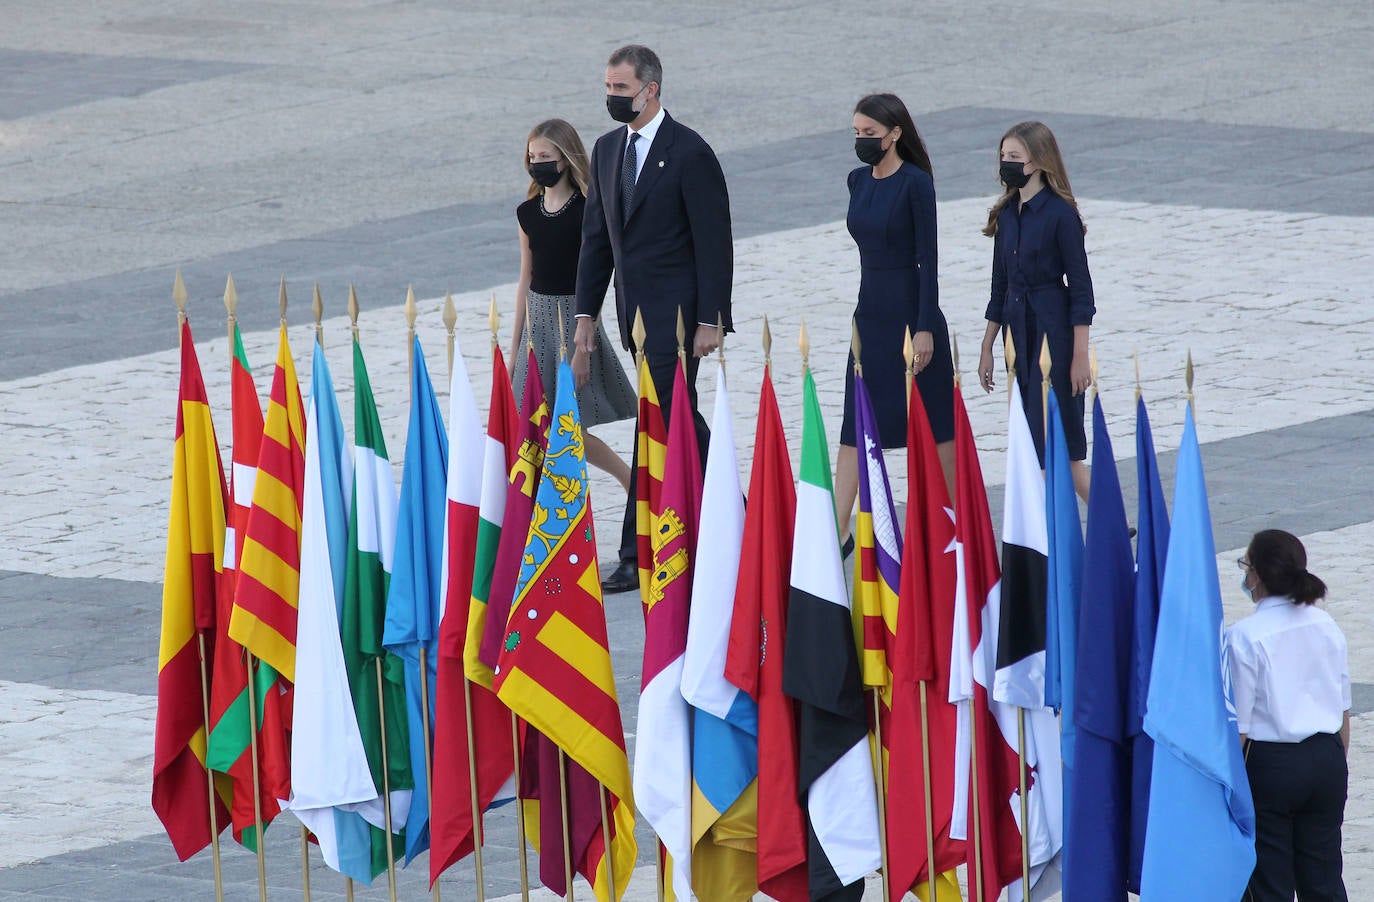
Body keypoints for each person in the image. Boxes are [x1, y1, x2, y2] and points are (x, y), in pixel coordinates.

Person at [574, 44, 733, 593]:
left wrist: (712, 318)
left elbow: (715, 243)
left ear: (651, 90)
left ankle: (632, 549)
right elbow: (597, 240)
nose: (612, 98)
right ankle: (744, 515)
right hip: (633, 317)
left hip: (680, 318)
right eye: (608, 88)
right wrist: (585, 315)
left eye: (621, 89)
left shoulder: (689, 152)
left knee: (658, 419)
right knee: (674, 418)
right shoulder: (606, 150)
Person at [835, 93, 955, 555]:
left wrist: (924, 327)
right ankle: (837, 529)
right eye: (858, 133)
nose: (863, 141)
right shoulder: (856, 181)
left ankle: (952, 521)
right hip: (869, 316)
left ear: (896, 134)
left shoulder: (916, 184)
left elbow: (929, 260)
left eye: (871, 134)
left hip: (910, 316)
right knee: (855, 424)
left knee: (934, 425)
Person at [1226, 529, 1350, 902]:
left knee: (1269, 883)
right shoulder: (1326, 624)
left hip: (1271, 765)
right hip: (1326, 757)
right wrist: (1332, 764)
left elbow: (1241, 728)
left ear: (1257, 575)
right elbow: (1342, 709)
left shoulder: (1244, 636)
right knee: (1324, 878)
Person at [512, 119, 635, 493]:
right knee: (532, 419)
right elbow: (525, 278)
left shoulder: (586, 211)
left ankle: (628, 479)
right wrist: (513, 343)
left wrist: (585, 345)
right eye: (533, 156)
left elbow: (594, 279)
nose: (538, 163)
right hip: (538, 323)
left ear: (564, 159)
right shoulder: (527, 213)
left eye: (545, 156)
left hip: (572, 319)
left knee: (570, 424)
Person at [976, 121, 1094, 501]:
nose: (1007, 163)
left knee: (1065, 445)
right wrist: (987, 345)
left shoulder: (1061, 215)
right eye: (1003, 156)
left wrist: (1079, 357)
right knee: (1027, 441)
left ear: (1039, 162)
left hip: (1052, 334)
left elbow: (1081, 291)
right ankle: (1043, 527)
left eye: (1016, 157)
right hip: (1017, 336)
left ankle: (1113, 522)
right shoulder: (1007, 213)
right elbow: (999, 285)